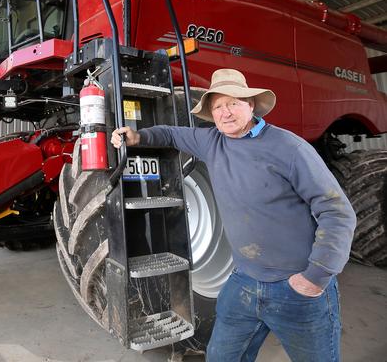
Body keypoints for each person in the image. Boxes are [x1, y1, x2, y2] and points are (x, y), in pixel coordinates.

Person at [111, 68, 356, 362]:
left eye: (233, 103)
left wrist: (315, 277)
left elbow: (337, 212)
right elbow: (172, 134)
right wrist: (139, 136)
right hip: (243, 282)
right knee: (223, 357)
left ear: (250, 105)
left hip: (295, 287)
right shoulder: (213, 141)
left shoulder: (289, 148)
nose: (225, 113)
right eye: (217, 106)